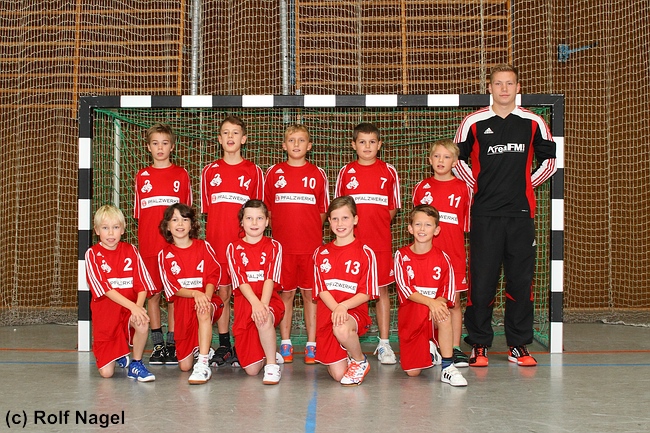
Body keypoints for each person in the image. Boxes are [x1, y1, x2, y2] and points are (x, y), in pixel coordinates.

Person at [453, 64, 557, 367]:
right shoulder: (473, 121)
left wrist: (524, 186)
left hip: (520, 215)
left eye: (509, 83)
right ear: (490, 87)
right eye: (498, 83)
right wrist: (479, 186)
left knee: (520, 282)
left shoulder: (533, 121)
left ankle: (518, 345)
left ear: (517, 87)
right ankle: (479, 344)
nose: (504, 89)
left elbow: (550, 162)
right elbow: (456, 160)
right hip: (484, 214)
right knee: (482, 281)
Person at [200, 116, 264, 366]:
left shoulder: (253, 171)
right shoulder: (209, 172)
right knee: (223, 293)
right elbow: (209, 211)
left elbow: (258, 212)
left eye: (235, 133)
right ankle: (225, 344)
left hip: (245, 247)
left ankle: (247, 342)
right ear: (219, 139)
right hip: (217, 244)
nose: (230, 137)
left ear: (243, 139)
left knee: (247, 294)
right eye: (226, 133)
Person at [335, 123, 401, 365]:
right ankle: (348, 342)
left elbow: (392, 209)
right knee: (350, 291)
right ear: (354, 145)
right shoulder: (346, 172)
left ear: (379, 144)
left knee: (381, 290)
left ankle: (384, 343)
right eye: (362, 142)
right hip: (352, 245)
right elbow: (339, 210)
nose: (367, 146)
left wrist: (377, 225)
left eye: (372, 142)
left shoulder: (389, 171)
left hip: (379, 243)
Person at [264, 124, 329, 364]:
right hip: (283, 248)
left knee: (311, 295)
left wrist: (308, 231)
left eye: (301, 140)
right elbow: (268, 210)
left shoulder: (317, 174)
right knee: (286, 294)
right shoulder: (274, 173)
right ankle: (286, 343)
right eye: (292, 140)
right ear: (284, 145)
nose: (296, 144)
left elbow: (322, 211)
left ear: (309, 146)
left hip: (311, 248)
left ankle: (312, 344)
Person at [134, 123, 192, 365]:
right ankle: (158, 344)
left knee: (174, 296)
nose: (160, 148)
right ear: (148, 147)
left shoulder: (181, 174)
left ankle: (173, 342)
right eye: (155, 143)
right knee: (153, 295)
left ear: (172, 146)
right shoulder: (141, 176)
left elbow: (186, 215)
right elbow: (140, 215)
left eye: (165, 143)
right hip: (149, 246)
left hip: (174, 249)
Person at [412, 139, 472, 368]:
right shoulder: (422, 188)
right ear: (430, 160)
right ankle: (428, 344)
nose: (441, 161)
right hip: (427, 258)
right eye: (437, 156)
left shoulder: (463, 188)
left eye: (447, 157)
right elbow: (417, 225)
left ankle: (454, 348)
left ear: (455, 162)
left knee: (453, 303)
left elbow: (466, 225)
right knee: (426, 302)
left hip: (454, 256)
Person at [394, 205, 467, 386]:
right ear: (410, 228)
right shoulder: (401, 256)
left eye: (428, 225)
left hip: (433, 315)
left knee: (444, 313)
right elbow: (405, 289)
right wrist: (430, 303)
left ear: (436, 230)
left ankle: (448, 367)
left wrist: (436, 304)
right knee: (412, 373)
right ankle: (430, 347)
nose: (422, 229)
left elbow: (447, 292)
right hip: (411, 316)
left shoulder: (443, 258)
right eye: (418, 224)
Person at [312, 196, 379, 386]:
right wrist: (337, 309)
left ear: (355, 219)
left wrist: (343, 307)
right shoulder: (320, 253)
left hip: (353, 313)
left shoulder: (365, 252)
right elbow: (321, 289)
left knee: (341, 328)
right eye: (335, 219)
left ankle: (359, 360)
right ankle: (345, 351)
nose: (340, 223)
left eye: (345, 218)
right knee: (339, 375)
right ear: (329, 221)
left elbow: (367, 293)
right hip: (330, 314)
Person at [85, 205, 156, 382]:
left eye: (115, 227)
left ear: (123, 230)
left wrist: (138, 309)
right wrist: (133, 307)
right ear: (97, 231)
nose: (111, 233)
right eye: (105, 228)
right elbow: (106, 289)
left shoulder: (131, 250)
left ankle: (136, 364)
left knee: (142, 321)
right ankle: (119, 353)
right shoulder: (92, 254)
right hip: (106, 318)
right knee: (107, 374)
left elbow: (142, 285)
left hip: (127, 313)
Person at [158, 203, 224, 384]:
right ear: (167, 226)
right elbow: (172, 287)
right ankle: (202, 347)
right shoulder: (164, 255)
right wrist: (195, 294)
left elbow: (213, 275)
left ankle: (203, 363)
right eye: (175, 220)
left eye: (185, 219)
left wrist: (205, 297)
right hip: (184, 306)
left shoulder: (203, 246)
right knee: (185, 366)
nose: (180, 224)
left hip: (207, 300)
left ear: (192, 224)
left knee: (203, 310)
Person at [226, 200, 285, 384]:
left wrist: (263, 305)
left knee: (264, 318)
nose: (254, 223)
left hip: (268, 301)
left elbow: (269, 277)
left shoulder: (274, 246)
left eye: (259, 218)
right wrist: (255, 304)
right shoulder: (233, 248)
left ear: (266, 222)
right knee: (251, 371)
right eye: (249, 218)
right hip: (246, 305)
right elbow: (241, 281)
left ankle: (272, 365)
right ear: (242, 222)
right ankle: (268, 348)